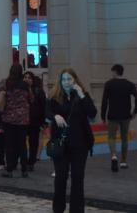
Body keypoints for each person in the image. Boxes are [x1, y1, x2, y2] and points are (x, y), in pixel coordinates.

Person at [46, 68, 97, 213]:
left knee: (78, 177)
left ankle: (76, 210)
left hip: (80, 144)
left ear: (75, 80)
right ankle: (58, 209)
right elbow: (46, 111)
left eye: (69, 79)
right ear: (60, 81)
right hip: (61, 144)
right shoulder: (54, 96)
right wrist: (55, 116)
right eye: (64, 79)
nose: (66, 82)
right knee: (60, 177)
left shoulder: (82, 96)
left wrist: (81, 94)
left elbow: (92, 113)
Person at [100, 63, 137, 172]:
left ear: (114, 72)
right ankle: (123, 161)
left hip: (113, 115)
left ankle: (113, 155)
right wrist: (135, 111)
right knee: (124, 138)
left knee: (111, 137)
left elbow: (104, 101)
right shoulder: (129, 84)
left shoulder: (108, 84)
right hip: (126, 115)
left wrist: (103, 116)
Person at [0, 64, 32, 178]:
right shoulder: (25, 85)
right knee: (22, 145)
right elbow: (31, 99)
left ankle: (9, 169)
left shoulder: (6, 83)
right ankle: (24, 169)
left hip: (9, 119)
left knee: (9, 145)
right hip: (23, 119)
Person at [23, 70, 47, 171]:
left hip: (34, 121)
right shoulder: (20, 90)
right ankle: (23, 161)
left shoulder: (38, 91)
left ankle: (31, 162)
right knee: (22, 142)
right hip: (22, 120)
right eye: (25, 77)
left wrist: (43, 121)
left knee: (33, 142)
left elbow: (43, 107)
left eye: (29, 78)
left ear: (33, 80)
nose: (27, 79)